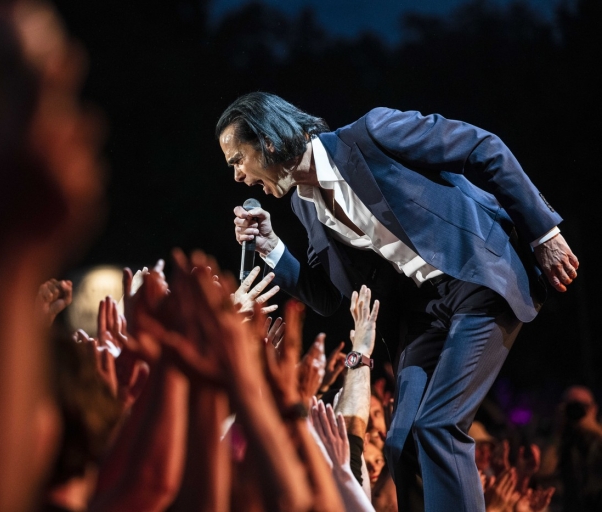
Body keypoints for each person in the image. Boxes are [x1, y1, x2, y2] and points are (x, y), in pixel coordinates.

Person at [218, 92, 579, 511]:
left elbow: (483, 147)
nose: (238, 177)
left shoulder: (372, 134)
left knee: (439, 425)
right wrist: (272, 246)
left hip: (478, 278)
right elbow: (326, 297)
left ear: (269, 142)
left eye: (237, 160)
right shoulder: (304, 204)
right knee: (401, 439)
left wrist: (543, 233)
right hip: (425, 309)